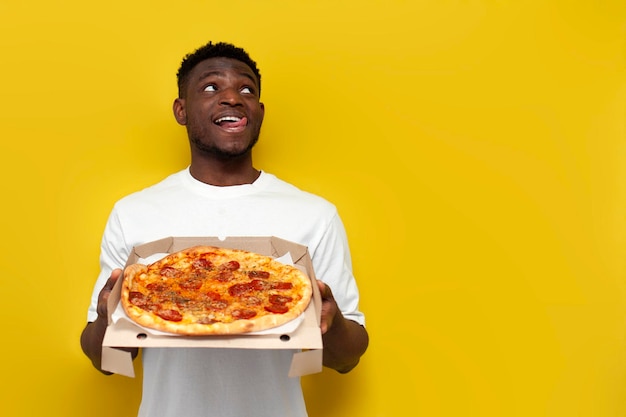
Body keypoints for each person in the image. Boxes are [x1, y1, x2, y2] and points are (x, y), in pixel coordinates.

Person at [80, 41, 369, 417]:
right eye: (212, 87)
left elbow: (346, 361)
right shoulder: (134, 213)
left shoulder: (314, 214)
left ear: (259, 112)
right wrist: (107, 315)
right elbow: (106, 362)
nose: (232, 97)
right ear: (181, 111)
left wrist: (331, 322)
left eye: (246, 89)